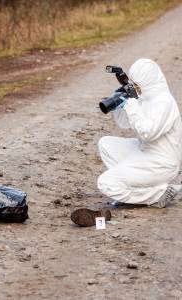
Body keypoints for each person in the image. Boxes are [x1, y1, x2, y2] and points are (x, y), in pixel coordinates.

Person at [71, 58, 182, 227]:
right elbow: (125, 124)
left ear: (148, 81)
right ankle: (133, 189)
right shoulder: (145, 96)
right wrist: (120, 102)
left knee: (106, 183)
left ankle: (158, 194)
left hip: (162, 162)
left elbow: (147, 133)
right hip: (146, 152)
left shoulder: (164, 102)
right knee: (106, 143)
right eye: (132, 83)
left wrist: (131, 104)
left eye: (137, 84)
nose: (135, 87)